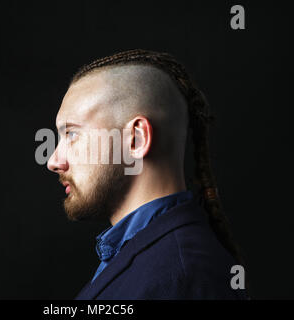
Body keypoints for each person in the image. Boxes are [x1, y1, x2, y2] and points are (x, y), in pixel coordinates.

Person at [47, 49, 248, 299]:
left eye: (72, 134)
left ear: (136, 138)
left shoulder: (182, 276)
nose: (54, 160)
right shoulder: (143, 258)